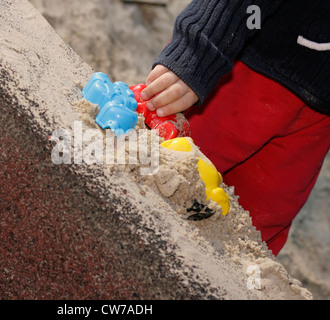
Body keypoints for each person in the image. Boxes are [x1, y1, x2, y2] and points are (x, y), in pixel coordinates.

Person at [140, 0, 330, 256]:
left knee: (247, 243)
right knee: (165, 182)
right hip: (247, 60)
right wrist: (200, 45)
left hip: (319, 117)